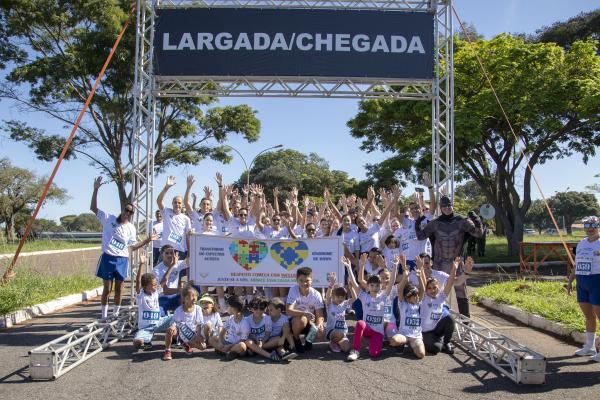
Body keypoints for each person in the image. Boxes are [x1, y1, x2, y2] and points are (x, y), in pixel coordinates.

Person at [90, 176, 156, 319]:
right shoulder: (109, 218)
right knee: (107, 289)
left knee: (119, 289)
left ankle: (115, 315)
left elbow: (132, 247)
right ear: (123, 209)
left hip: (122, 260)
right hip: (108, 257)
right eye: (127, 210)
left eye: (131, 212)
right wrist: (95, 190)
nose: (128, 213)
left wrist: (147, 240)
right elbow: (93, 208)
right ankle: (104, 316)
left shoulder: (131, 228)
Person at [415, 195, 483, 317]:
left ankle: (466, 321)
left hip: (455, 261)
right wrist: (418, 222)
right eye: (444, 206)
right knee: (433, 290)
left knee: (461, 291)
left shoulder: (462, 221)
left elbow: (478, 233)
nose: (447, 208)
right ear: (440, 208)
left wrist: (476, 219)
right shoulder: (435, 223)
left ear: (452, 205)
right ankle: (433, 318)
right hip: (439, 262)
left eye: (449, 205)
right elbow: (420, 236)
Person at [346, 254, 399, 361]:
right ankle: (356, 350)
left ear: (380, 286)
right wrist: (348, 267)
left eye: (377, 285)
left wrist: (395, 266)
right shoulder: (364, 296)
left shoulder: (384, 296)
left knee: (374, 354)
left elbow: (392, 281)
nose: (374, 288)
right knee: (360, 323)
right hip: (367, 329)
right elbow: (355, 282)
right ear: (368, 287)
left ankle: (372, 343)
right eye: (372, 285)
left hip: (378, 332)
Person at [567, 215, 600, 362]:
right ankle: (589, 346)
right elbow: (577, 264)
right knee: (589, 316)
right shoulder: (581, 243)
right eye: (587, 226)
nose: (590, 229)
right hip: (582, 281)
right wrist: (570, 281)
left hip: (597, 281)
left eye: (593, 226)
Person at [132, 250, 172, 351]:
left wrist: (172, 266)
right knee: (138, 343)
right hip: (146, 327)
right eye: (153, 285)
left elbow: (164, 280)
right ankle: (145, 340)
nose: (155, 286)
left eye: (155, 284)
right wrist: (141, 264)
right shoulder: (141, 295)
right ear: (145, 286)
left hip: (158, 322)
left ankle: (175, 339)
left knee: (176, 317)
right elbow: (138, 282)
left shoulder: (155, 292)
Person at [421, 256, 459, 355]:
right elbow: (422, 283)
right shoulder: (424, 297)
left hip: (437, 328)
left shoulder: (441, 296)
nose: (432, 290)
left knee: (450, 319)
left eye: (435, 287)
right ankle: (432, 342)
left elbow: (450, 282)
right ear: (426, 290)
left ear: (439, 286)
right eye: (429, 288)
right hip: (426, 332)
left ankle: (446, 343)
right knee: (436, 349)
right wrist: (421, 269)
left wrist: (454, 269)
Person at [286, 266, 326, 353]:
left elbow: (320, 316)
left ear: (311, 280)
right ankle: (296, 339)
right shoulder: (293, 290)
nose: (304, 283)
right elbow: (288, 310)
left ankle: (309, 339)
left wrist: (319, 325)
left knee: (321, 332)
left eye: (307, 280)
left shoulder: (316, 294)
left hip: (310, 323)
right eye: (301, 280)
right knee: (302, 319)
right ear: (297, 280)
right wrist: (304, 313)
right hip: (295, 322)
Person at [395, 258, 426, 359]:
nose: (417, 297)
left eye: (417, 295)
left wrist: (419, 276)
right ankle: (402, 343)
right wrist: (405, 276)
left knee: (421, 355)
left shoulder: (418, 303)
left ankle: (411, 345)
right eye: (414, 295)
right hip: (404, 334)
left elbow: (423, 290)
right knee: (394, 341)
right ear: (407, 296)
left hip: (416, 336)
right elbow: (400, 291)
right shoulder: (403, 303)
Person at [164, 286, 205, 360]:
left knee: (203, 347)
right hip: (179, 334)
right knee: (170, 329)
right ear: (185, 298)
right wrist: (173, 326)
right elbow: (174, 322)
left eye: (195, 295)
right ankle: (168, 350)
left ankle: (185, 344)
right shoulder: (178, 310)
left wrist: (198, 335)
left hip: (192, 334)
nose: (194, 298)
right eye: (192, 296)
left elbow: (199, 324)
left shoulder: (198, 308)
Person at [157, 176, 192, 259]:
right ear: (172, 203)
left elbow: (187, 237)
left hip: (180, 251)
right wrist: (166, 188)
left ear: (182, 205)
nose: (177, 204)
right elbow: (159, 201)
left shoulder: (186, 218)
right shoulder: (166, 212)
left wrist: (189, 252)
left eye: (179, 203)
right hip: (166, 249)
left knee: (179, 272)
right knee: (164, 272)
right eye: (175, 202)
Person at [324, 265, 357, 354]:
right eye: (337, 296)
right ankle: (332, 341)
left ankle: (337, 342)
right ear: (333, 296)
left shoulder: (344, 304)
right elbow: (327, 296)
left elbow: (354, 298)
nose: (340, 298)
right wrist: (331, 284)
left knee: (346, 348)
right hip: (332, 331)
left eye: (342, 297)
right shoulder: (329, 304)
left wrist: (351, 287)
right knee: (338, 333)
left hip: (342, 332)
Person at [153, 245, 187, 315]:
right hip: (162, 297)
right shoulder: (157, 270)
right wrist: (180, 290)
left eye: (171, 253)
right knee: (160, 314)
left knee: (187, 305)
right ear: (162, 254)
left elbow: (191, 260)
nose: (169, 255)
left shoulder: (178, 264)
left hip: (176, 297)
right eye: (167, 253)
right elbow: (165, 290)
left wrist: (190, 241)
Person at [217, 296, 248, 361]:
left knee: (242, 346)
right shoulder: (230, 318)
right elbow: (222, 332)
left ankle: (228, 351)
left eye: (228, 306)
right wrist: (220, 342)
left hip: (236, 345)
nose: (227, 308)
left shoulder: (245, 323)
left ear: (234, 308)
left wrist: (229, 346)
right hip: (228, 342)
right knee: (212, 339)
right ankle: (231, 352)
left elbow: (243, 340)